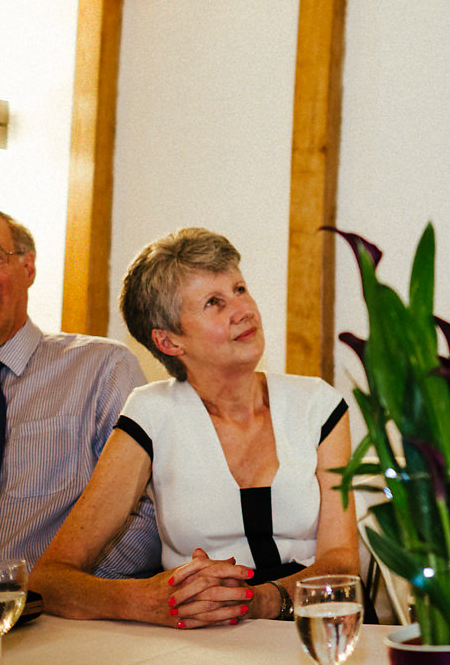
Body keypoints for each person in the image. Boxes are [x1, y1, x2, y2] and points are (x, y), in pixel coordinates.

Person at [32, 228, 357, 628]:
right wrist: (145, 600)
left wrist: (258, 602)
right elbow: (50, 578)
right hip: (201, 634)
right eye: (214, 303)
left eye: (240, 288)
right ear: (169, 341)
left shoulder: (318, 405)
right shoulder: (152, 413)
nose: (243, 310)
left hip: (317, 622)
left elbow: (343, 564)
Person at [0, 201, 159, 575]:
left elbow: (147, 516)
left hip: (51, 621)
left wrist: (53, 595)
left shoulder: (102, 368)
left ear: (27, 267)